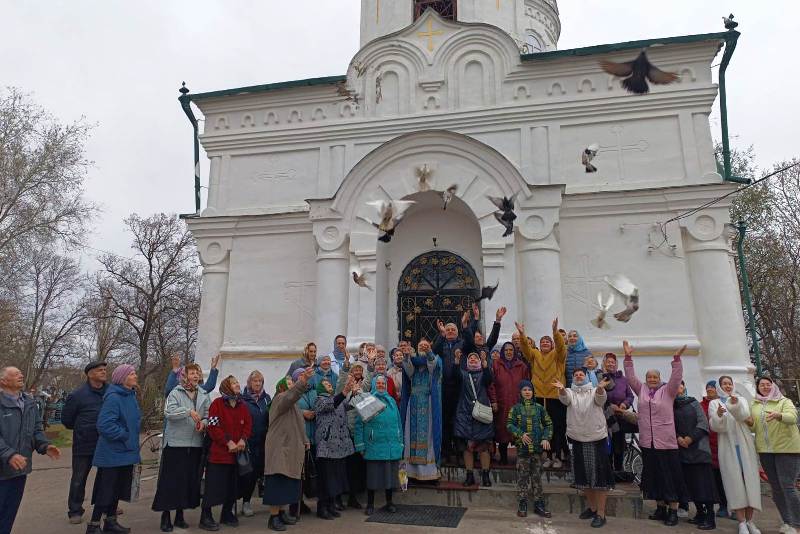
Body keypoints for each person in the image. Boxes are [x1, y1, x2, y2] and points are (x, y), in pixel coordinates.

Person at [624, 340, 687, 527]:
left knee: (669, 476)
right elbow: (630, 378)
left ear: (659, 379)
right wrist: (628, 357)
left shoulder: (668, 391)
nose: (651, 380)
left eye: (654, 377)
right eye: (649, 377)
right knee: (654, 476)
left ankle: (673, 510)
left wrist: (676, 360)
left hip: (665, 442)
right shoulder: (641, 389)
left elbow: (676, 377)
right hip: (648, 442)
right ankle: (660, 507)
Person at [0, 367, 60, 534]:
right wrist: (9, 454)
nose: (21, 375)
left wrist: (44, 446)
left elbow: (36, 430)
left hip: (20, 470)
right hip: (2, 470)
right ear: (3, 381)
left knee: (8, 515)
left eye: (21, 372)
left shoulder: (29, 403)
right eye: (15, 373)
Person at [153, 363, 211, 532]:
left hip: (195, 444)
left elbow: (207, 414)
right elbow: (169, 413)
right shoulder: (175, 392)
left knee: (187, 481)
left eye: (197, 373)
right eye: (191, 373)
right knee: (170, 481)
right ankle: (165, 516)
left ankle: (180, 515)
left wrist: (204, 424)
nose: (195, 376)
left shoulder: (204, 394)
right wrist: (188, 412)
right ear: (185, 375)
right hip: (176, 444)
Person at [555, 368, 613, 528]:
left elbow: (601, 400)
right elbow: (564, 400)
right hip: (577, 439)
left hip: (596, 439)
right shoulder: (569, 392)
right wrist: (561, 390)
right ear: (572, 378)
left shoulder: (595, 390)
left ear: (587, 377)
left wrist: (601, 388)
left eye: (581, 374)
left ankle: (601, 514)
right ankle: (593, 508)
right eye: (576, 375)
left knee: (599, 478)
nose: (579, 376)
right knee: (584, 477)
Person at [89, 364, 140, 534]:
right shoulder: (113, 397)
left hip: (126, 453)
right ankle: (94, 525)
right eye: (131, 374)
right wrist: (124, 435)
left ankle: (110, 522)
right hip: (112, 453)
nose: (135, 376)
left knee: (117, 490)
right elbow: (104, 425)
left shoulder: (130, 395)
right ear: (122, 378)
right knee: (106, 491)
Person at [708, 376, 762, 534]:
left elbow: (745, 416)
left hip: (744, 443)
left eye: (729, 383)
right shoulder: (714, 403)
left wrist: (734, 404)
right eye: (724, 384)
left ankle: (751, 521)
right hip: (727, 445)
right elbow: (717, 427)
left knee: (750, 480)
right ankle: (741, 522)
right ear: (719, 386)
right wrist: (718, 415)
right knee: (734, 482)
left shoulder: (741, 400)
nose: (727, 386)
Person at [263, 368, 315, 531]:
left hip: (291, 448)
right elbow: (291, 395)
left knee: (287, 484)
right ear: (282, 387)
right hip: (280, 448)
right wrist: (303, 380)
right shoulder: (280, 399)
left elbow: (299, 425)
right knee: (277, 483)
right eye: (290, 383)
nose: (293, 385)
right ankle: (273, 517)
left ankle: (282, 513)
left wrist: (305, 440)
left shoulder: (293, 406)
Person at [747, 376, 800, 534]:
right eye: (762, 385)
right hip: (766, 451)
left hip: (787, 449)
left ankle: (797, 525)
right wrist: (748, 422)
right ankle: (787, 521)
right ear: (758, 388)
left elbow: (793, 418)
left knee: (788, 486)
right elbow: (754, 428)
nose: (765, 387)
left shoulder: (784, 401)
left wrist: (779, 416)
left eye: (768, 384)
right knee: (776, 488)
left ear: (773, 386)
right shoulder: (754, 404)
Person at [516, 317, 568, 469]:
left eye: (547, 341)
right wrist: (522, 334)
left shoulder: (558, 356)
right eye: (542, 342)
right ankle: (547, 456)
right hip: (539, 396)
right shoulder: (535, 355)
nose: (545, 343)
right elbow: (525, 348)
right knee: (543, 428)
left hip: (555, 396)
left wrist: (554, 332)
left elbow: (561, 347)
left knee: (557, 428)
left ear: (551, 344)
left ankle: (558, 457)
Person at [201, 375, 252, 531]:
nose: (237, 385)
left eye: (237, 382)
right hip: (219, 455)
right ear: (226, 387)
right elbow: (213, 427)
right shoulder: (217, 404)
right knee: (214, 487)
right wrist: (227, 442)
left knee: (232, 487)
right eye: (234, 383)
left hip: (236, 455)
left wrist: (243, 439)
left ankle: (227, 513)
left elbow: (248, 424)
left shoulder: (242, 405)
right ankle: (206, 516)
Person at [62, 361, 108, 524]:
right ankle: (75, 510)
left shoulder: (110, 392)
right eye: (99, 370)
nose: (103, 372)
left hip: (106, 442)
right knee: (79, 478)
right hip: (84, 443)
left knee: (107, 477)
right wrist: (84, 428)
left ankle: (107, 506)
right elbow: (67, 420)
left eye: (104, 370)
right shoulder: (77, 395)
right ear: (89, 374)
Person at [354, 375, 403, 516]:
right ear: (374, 385)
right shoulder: (367, 400)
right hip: (374, 445)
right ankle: (370, 504)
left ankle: (389, 502)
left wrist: (400, 442)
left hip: (390, 445)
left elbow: (398, 422)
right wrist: (360, 445)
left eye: (383, 383)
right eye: (379, 383)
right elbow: (359, 425)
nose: (381, 385)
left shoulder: (392, 401)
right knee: (373, 477)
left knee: (390, 476)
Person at [673, 381, 717, 530]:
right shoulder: (672, 406)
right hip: (682, 449)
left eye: (680, 385)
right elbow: (670, 424)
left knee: (704, 484)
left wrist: (691, 438)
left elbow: (703, 423)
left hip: (698, 448)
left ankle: (710, 516)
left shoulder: (693, 403)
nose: (678, 388)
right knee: (691, 484)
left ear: (684, 387)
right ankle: (699, 512)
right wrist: (678, 437)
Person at [507, 380, 552, 518]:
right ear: (520, 392)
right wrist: (520, 434)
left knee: (537, 478)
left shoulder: (539, 408)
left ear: (533, 392)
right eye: (524, 390)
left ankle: (539, 504)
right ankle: (522, 503)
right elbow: (509, 424)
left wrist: (546, 438)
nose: (527, 392)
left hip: (537, 451)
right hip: (523, 451)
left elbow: (548, 424)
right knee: (522, 478)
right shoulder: (515, 409)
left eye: (529, 390)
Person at [400, 337, 443, 480]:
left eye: (425, 345)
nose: (423, 348)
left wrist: (430, 352)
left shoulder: (434, 359)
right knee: (410, 433)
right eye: (420, 346)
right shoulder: (412, 360)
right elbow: (408, 371)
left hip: (428, 402)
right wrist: (406, 355)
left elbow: (433, 367)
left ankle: (428, 473)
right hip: (413, 402)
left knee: (428, 435)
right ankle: (411, 472)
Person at [314, 377, 355, 519]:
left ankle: (331, 506)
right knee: (325, 479)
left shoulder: (338, 398)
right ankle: (322, 508)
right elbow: (330, 405)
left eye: (329, 383)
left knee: (335, 479)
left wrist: (355, 393)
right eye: (325, 384)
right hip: (326, 446)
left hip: (338, 447)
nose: (329, 385)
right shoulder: (319, 400)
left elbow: (350, 405)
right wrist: (344, 391)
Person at [453, 350, 494, 487]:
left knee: (484, 448)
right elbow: (455, 376)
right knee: (467, 448)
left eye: (475, 358)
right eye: (470, 357)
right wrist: (457, 361)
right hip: (465, 414)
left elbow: (489, 379)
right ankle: (469, 475)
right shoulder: (463, 374)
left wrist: (485, 363)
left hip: (481, 415)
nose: (472, 359)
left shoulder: (483, 374)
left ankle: (485, 475)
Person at [433, 316, 467, 461]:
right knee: (445, 421)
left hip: (460, 388)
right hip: (444, 388)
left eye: (453, 329)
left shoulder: (463, 344)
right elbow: (434, 351)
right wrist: (441, 335)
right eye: (448, 330)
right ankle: (446, 451)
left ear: (457, 332)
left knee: (459, 420)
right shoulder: (442, 344)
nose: (450, 331)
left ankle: (459, 452)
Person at [489, 341, 530, 465]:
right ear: (503, 351)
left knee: (518, 430)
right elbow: (492, 385)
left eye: (511, 350)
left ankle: (521, 458)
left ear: (514, 352)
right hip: (502, 403)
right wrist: (494, 401)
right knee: (502, 430)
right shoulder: (496, 364)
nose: (508, 352)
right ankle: (503, 457)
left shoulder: (521, 366)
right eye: (506, 350)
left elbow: (527, 384)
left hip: (517, 403)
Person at [334, 360, 366, 509]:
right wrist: (346, 369)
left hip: (358, 433)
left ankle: (353, 497)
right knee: (342, 467)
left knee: (355, 468)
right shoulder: (344, 386)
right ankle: (339, 498)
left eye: (360, 370)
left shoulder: (364, 386)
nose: (357, 373)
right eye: (355, 370)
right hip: (344, 432)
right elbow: (341, 389)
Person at [240, 370, 271, 517]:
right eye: (255, 381)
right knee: (247, 474)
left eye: (260, 381)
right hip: (248, 443)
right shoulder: (243, 399)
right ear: (249, 383)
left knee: (259, 472)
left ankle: (252, 501)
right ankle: (242, 501)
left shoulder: (267, 399)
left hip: (263, 442)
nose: (257, 384)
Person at [700, 381, 730, 519]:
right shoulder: (701, 405)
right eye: (708, 388)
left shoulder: (725, 403)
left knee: (727, 478)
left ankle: (730, 505)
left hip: (723, 443)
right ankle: (719, 505)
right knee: (713, 479)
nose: (710, 389)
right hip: (708, 445)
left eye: (713, 387)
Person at [602, 353, 635, 472]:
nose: (610, 364)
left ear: (616, 364)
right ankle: (608, 471)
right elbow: (598, 395)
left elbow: (630, 396)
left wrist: (624, 404)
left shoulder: (623, 379)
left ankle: (619, 471)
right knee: (608, 444)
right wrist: (610, 406)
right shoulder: (602, 377)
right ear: (604, 364)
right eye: (608, 362)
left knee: (619, 445)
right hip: (606, 417)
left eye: (613, 362)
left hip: (620, 416)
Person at [292, 368, 315, 517]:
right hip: (298, 437)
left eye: (304, 375)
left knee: (307, 473)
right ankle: (295, 504)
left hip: (312, 436)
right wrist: (303, 413)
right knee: (297, 474)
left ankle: (302, 502)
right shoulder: (292, 393)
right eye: (300, 376)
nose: (303, 378)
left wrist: (314, 412)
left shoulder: (313, 392)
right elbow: (289, 408)